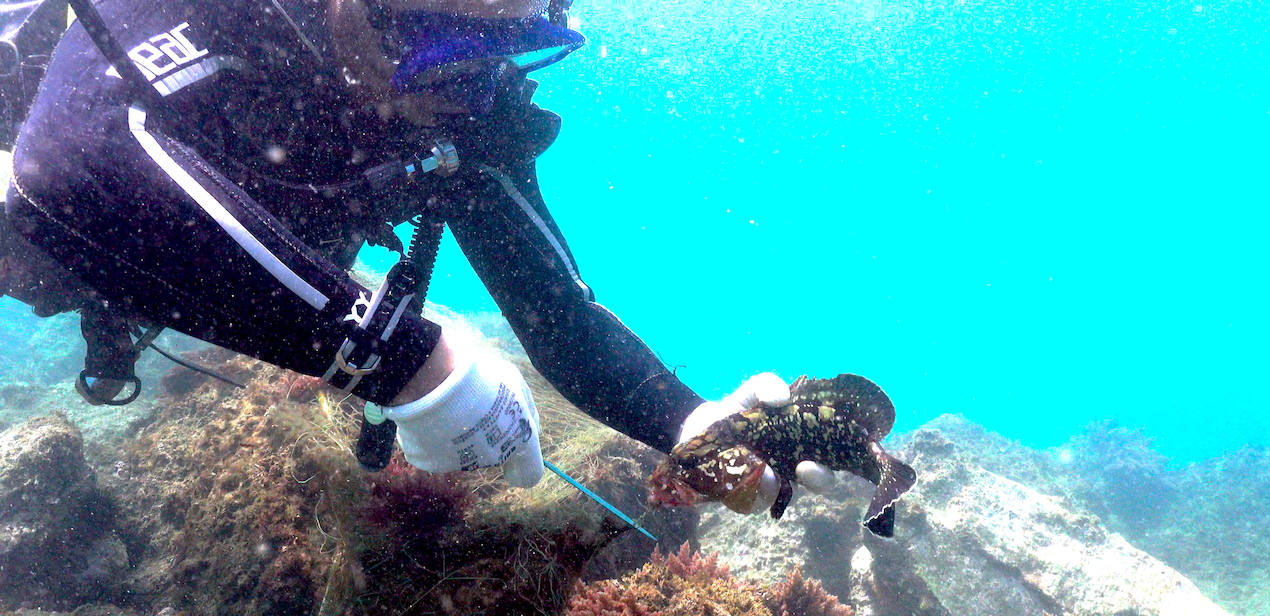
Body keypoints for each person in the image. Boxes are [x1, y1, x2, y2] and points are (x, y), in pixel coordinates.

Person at [5, 0, 834, 511]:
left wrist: (693, 423)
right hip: (46, 208)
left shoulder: (470, 104)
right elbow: (68, 168)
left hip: (207, 257)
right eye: (434, 42)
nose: (460, 85)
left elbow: (560, 315)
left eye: (497, 51)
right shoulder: (234, 8)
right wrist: (400, 360)